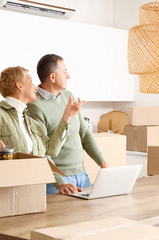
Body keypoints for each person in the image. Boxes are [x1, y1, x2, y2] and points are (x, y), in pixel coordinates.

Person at [0, 66, 83, 164]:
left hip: (33, 187)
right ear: (19, 85)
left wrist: (67, 116)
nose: (35, 87)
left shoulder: (32, 123)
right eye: (31, 81)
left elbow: (52, 150)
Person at [27, 54, 107, 195]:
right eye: (65, 71)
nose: (68, 76)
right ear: (52, 77)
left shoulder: (68, 95)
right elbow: (41, 150)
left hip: (82, 175)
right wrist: (59, 182)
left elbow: (84, 133)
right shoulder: (34, 105)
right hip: (57, 182)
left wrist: (102, 161)